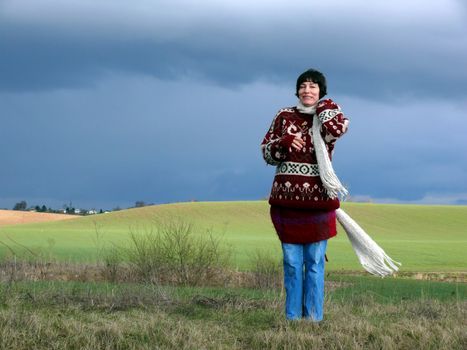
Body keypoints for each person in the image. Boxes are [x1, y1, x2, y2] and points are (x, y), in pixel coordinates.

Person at [260, 68, 349, 321]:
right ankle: (292, 319)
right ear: (297, 90)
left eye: (313, 86)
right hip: (287, 203)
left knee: (315, 263)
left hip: (319, 203)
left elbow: (339, 129)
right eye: (303, 86)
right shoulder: (283, 116)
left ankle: (313, 319)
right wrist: (284, 143)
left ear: (321, 91)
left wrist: (324, 106)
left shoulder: (326, 117)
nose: (307, 90)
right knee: (291, 263)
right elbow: (266, 152)